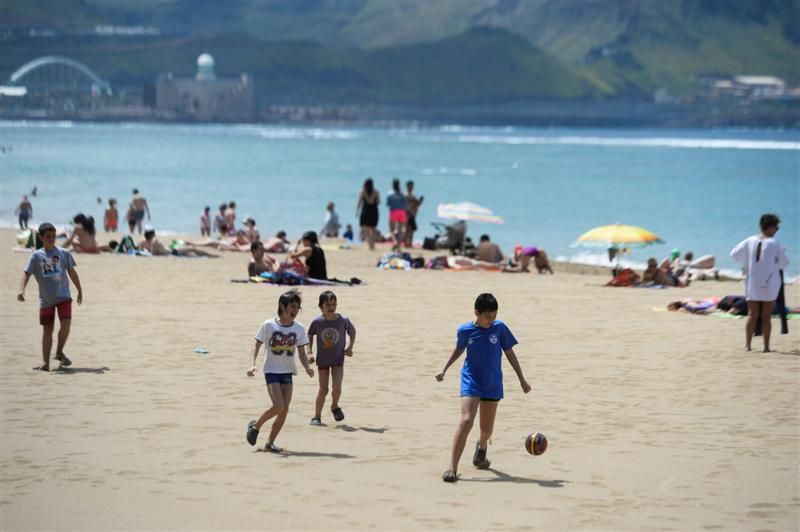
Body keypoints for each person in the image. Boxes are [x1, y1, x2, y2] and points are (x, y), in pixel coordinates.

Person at [435, 293, 531, 482]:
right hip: (471, 380)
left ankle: (482, 446)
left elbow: (510, 353)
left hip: (492, 383)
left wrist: (522, 380)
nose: (491, 320)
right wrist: (444, 369)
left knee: (486, 430)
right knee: (466, 420)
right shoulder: (465, 330)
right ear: (476, 313)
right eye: (487, 316)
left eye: (494, 316)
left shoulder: (500, 328)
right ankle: (452, 469)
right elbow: (459, 349)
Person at [245, 289, 314, 452]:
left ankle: (269, 443)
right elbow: (256, 344)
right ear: (282, 307)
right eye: (292, 306)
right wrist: (251, 364)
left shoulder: (299, 328)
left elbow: (302, 352)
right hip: (271, 370)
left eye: (298, 307)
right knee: (278, 405)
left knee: (284, 409)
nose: (295, 310)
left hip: (288, 371)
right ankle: (255, 427)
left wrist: (307, 368)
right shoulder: (269, 325)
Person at [17, 222, 83, 371]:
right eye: (48, 236)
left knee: (66, 326)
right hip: (46, 300)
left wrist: (79, 289)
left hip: (64, 296)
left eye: (53, 236)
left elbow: (72, 273)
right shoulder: (36, 256)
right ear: (41, 237)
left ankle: (59, 352)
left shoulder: (63, 253)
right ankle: (46, 363)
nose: (51, 239)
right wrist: (22, 290)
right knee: (48, 330)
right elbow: (26, 273)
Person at [730, 213, 789, 352]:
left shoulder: (749, 240)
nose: (776, 230)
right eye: (776, 227)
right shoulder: (774, 243)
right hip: (769, 283)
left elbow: (734, 254)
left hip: (752, 282)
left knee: (752, 314)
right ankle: (766, 347)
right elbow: (784, 263)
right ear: (770, 228)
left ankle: (748, 345)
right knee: (766, 316)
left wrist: (747, 262)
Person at [307, 291, 357, 426]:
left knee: (337, 387)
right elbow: (310, 335)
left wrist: (350, 347)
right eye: (327, 304)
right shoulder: (317, 322)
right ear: (320, 306)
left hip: (338, 360)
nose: (331, 307)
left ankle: (335, 406)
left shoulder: (343, 320)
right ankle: (316, 416)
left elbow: (352, 332)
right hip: (322, 360)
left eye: (334, 304)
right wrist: (309, 352)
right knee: (323, 389)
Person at [139, 229, 218, 257]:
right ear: (152, 234)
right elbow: (153, 254)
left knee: (189, 251)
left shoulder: (143, 242)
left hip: (170, 250)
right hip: (172, 252)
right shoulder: (154, 241)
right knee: (193, 249)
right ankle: (210, 256)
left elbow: (140, 249)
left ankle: (209, 255)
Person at [356, 178, 380, 251]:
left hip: (366, 210)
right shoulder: (376, 191)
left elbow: (359, 202)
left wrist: (357, 211)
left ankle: (370, 244)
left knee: (366, 229)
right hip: (374, 211)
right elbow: (378, 202)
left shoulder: (363, 191)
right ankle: (373, 244)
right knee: (373, 229)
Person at [386, 178, 407, 250]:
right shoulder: (402, 194)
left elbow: (388, 204)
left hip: (394, 211)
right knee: (400, 230)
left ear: (392, 185)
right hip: (402, 212)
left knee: (391, 229)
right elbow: (405, 204)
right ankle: (398, 244)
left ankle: (395, 242)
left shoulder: (390, 194)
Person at [404, 180, 424, 247]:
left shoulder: (413, 195)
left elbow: (417, 204)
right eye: (409, 186)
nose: (411, 187)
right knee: (407, 229)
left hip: (413, 214)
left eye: (412, 186)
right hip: (407, 214)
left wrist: (420, 201)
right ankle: (406, 243)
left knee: (411, 229)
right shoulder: (405, 195)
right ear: (407, 186)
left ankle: (409, 243)